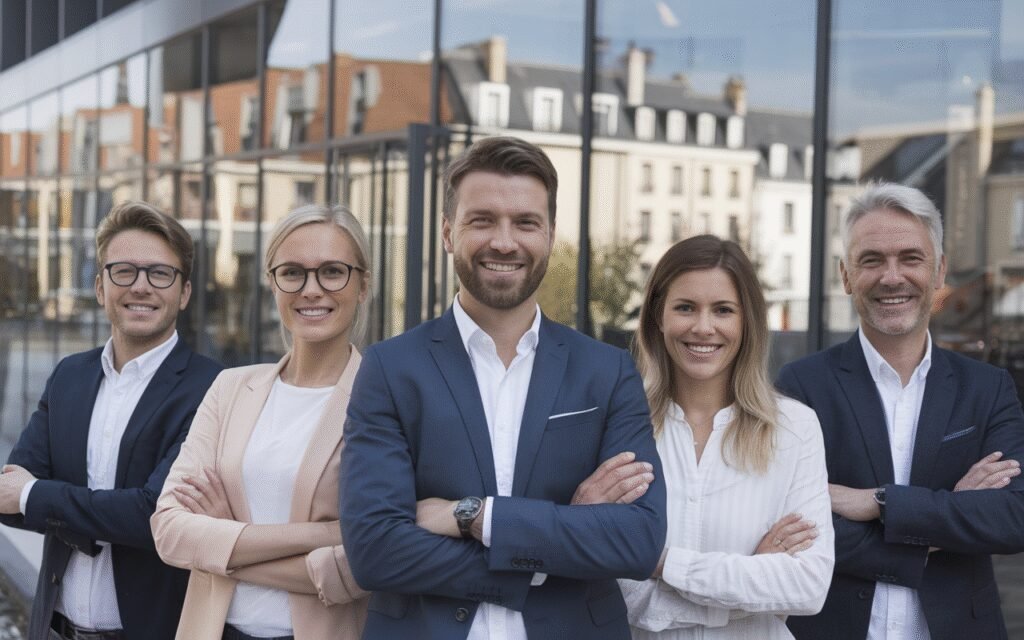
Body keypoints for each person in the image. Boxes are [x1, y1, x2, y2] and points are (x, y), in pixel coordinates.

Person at [339, 135, 666, 640]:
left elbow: (637, 541)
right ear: (448, 233)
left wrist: (473, 516)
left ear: (551, 235)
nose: (504, 241)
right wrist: (548, 547)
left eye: (526, 223)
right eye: (482, 220)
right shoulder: (390, 368)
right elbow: (376, 551)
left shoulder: (607, 371)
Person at [776, 182, 1024, 640]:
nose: (892, 277)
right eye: (871, 260)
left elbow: (1011, 518)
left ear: (938, 271)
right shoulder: (801, 386)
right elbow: (799, 528)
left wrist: (877, 502)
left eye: (911, 258)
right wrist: (948, 516)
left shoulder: (987, 388)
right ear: (846, 275)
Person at [0, 201, 222, 640]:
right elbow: (8, 502)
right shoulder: (69, 376)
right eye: (124, 271)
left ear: (184, 293)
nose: (141, 287)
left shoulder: (212, 388)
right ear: (101, 286)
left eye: (160, 273)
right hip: (53, 629)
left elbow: (153, 516)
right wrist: (71, 508)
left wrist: (38, 497)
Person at [151, 205, 372, 640]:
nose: (311, 289)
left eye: (332, 271)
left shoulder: (382, 402)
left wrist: (224, 536)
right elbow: (170, 532)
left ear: (363, 285)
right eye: (292, 273)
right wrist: (325, 533)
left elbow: (362, 567)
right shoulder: (231, 388)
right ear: (272, 282)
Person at [618, 235, 833, 639]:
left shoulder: (795, 428)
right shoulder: (619, 424)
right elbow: (613, 590)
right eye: (685, 307)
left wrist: (662, 564)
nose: (703, 327)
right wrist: (748, 585)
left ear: (746, 321)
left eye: (723, 310)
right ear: (658, 317)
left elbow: (807, 586)